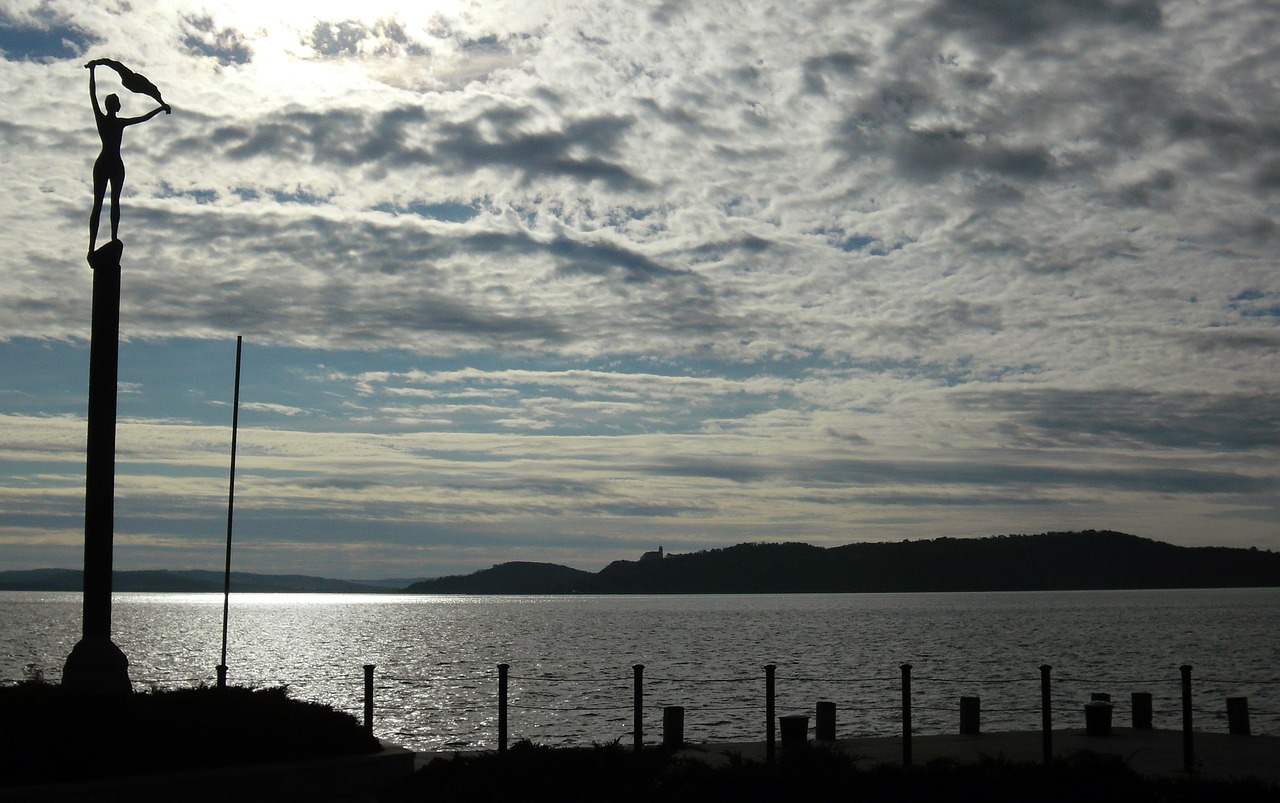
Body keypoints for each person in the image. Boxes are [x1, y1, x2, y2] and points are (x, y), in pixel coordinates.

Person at [86, 59, 170, 258]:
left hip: (111, 163)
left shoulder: (112, 121)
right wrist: (92, 72)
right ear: (116, 106)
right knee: (103, 203)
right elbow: (92, 95)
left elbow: (141, 118)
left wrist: (93, 71)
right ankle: (95, 247)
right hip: (110, 162)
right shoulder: (111, 121)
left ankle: (110, 240)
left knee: (109, 203)